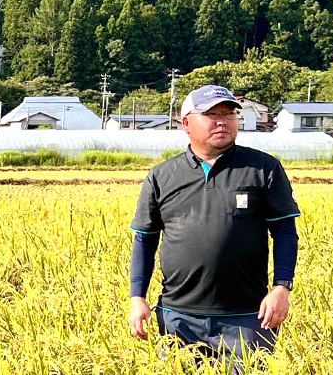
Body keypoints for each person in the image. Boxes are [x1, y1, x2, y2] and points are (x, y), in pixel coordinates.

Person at [127, 85, 300, 373]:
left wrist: (282, 287)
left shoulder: (263, 169)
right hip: (177, 318)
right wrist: (137, 298)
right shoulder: (161, 176)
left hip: (248, 317)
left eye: (229, 114)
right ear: (186, 123)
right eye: (211, 114)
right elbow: (145, 240)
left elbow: (285, 232)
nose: (223, 121)